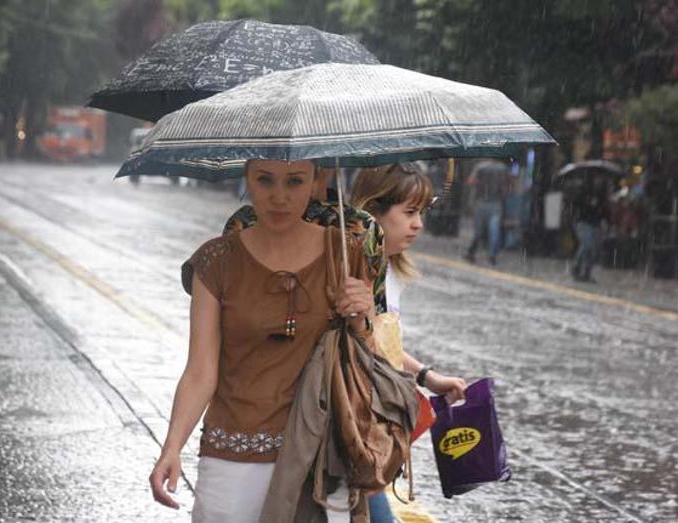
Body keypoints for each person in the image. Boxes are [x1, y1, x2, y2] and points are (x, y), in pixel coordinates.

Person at [149, 159, 379, 522]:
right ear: (248, 179)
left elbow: (365, 358)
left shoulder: (346, 255)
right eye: (265, 180)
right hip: (232, 456)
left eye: (294, 181)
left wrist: (362, 316)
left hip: (319, 457)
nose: (280, 196)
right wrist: (171, 446)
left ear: (315, 182)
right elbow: (200, 370)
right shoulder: (216, 260)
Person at [350, 163, 467, 523]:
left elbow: (382, 344)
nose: (418, 224)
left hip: (378, 435)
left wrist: (427, 377)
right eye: (410, 213)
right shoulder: (350, 271)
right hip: (353, 432)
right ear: (373, 212)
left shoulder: (388, 269)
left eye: (422, 213)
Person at [464, 161, 508, 265]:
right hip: (496, 203)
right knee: (494, 231)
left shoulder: (480, 167)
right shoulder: (502, 168)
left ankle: (471, 252)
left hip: (481, 202)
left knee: (479, 231)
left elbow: (471, 181)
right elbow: (507, 186)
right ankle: (492, 255)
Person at [571, 175, 609, 282]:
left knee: (593, 249)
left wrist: (605, 220)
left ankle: (586, 272)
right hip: (583, 222)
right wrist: (588, 203)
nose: (598, 181)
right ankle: (577, 267)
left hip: (595, 224)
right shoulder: (583, 192)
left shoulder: (602, 195)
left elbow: (604, 210)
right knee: (587, 245)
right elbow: (576, 206)